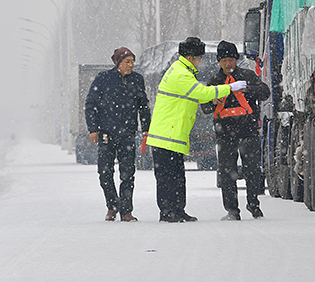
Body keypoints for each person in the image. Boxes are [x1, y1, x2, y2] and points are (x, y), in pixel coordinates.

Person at [146, 37, 246, 223]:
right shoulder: (180, 74)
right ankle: (168, 212)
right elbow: (200, 92)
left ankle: (178, 210)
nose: (200, 61)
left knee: (177, 176)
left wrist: (210, 98)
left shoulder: (183, 71)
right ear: (191, 57)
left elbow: (196, 95)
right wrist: (229, 88)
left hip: (173, 134)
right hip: (166, 135)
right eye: (199, 58)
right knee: (167, 178)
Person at [204, 41, 270, 221]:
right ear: (219, 61)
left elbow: (265, 92)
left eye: (231, 59)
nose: (228, 64)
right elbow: (205, 107)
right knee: (227, 173)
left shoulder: (247, 76)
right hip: (224, 134)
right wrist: (212, 101)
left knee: (252, 171)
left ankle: (253, 204)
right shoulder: (214, 82)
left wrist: (248, 89)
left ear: (236, 59)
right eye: (224, 60)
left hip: (248, 131)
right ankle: (232, 210)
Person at [85, 47, 151, 222]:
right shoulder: (104, 79)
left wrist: (146, 127)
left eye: (132, 61)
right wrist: (93, 129)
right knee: (104, 172)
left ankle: (126, 211)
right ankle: (112, 205)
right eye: (127, 62)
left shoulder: (137, 80)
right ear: (118, 63)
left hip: (128, 134)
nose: (131, 65)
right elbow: (91, 104)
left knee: (128, 174)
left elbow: (143, 105)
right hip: (107, 133)